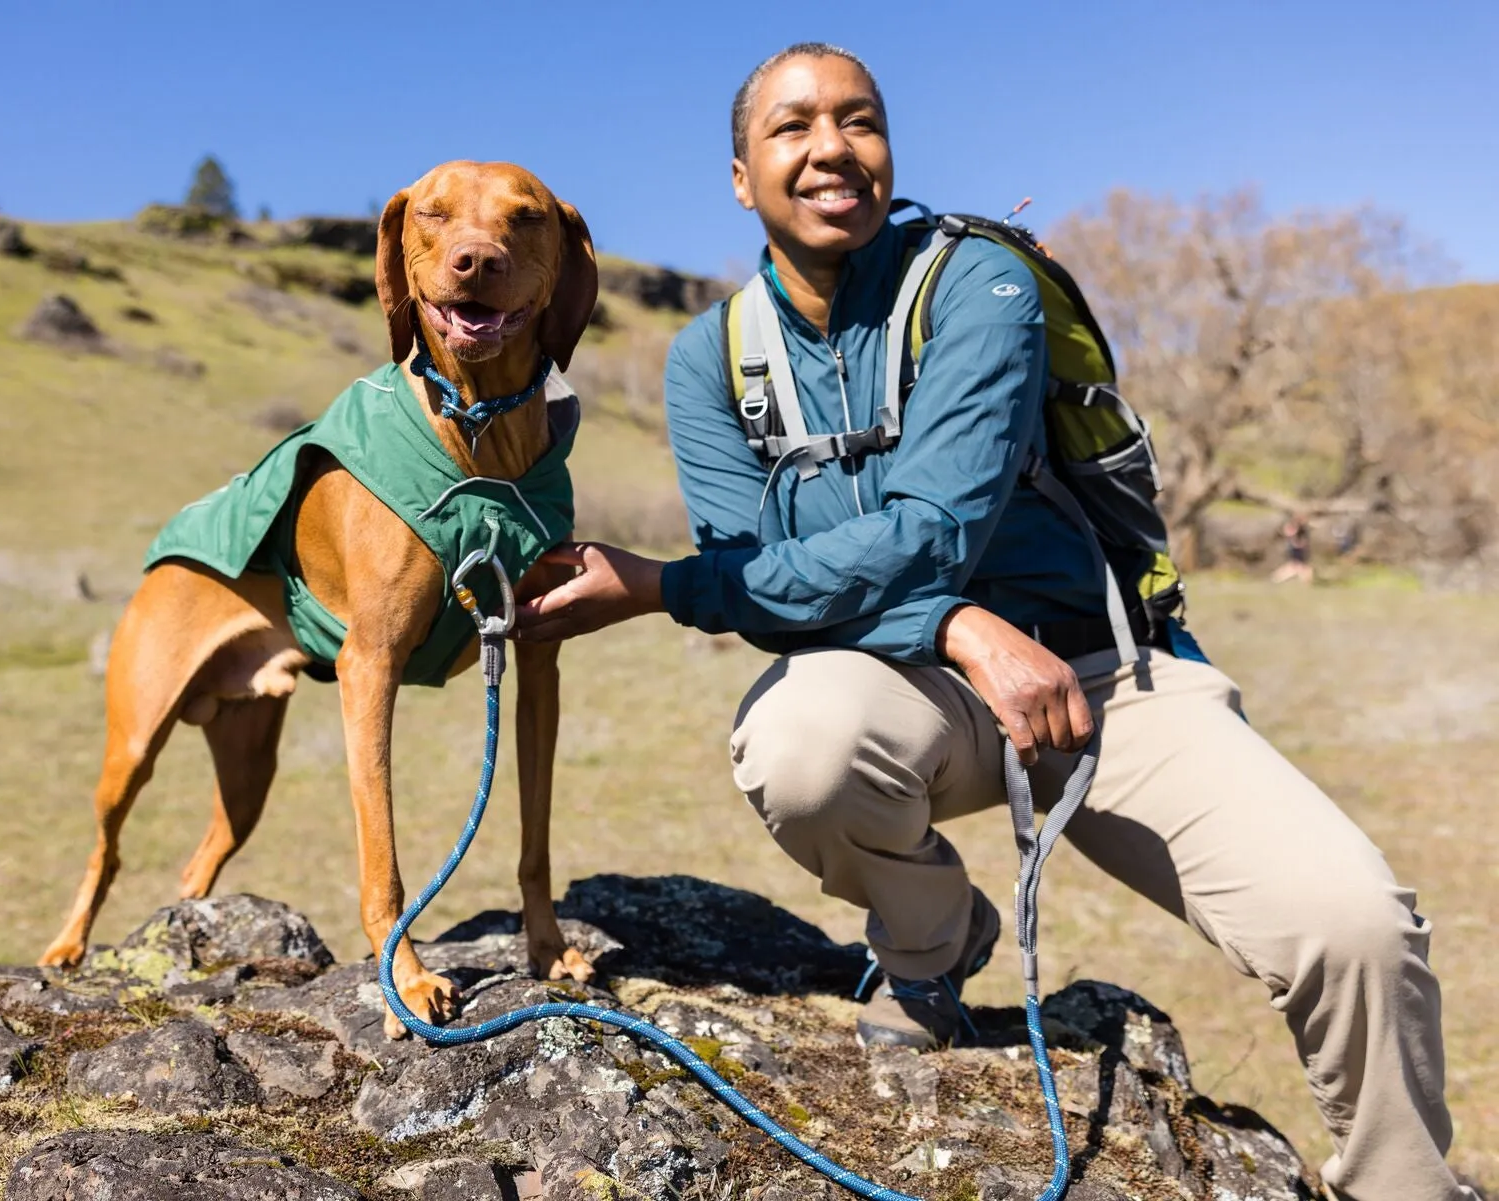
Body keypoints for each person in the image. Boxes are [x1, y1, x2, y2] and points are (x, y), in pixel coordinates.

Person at [512, 42, 1474, 1201]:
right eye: (794, 127)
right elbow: (753, 574)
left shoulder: (983, 284)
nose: (831, 148)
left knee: (1357, 924)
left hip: (1113, 679)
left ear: (888, 146)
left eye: (858, 120)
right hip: (910, 693)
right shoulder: (708, 359)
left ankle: (1402, 1184)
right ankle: (930, 947)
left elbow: (934, 524)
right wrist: (959, 629)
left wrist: (667, 586)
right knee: (799, 740)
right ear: (738, 175)